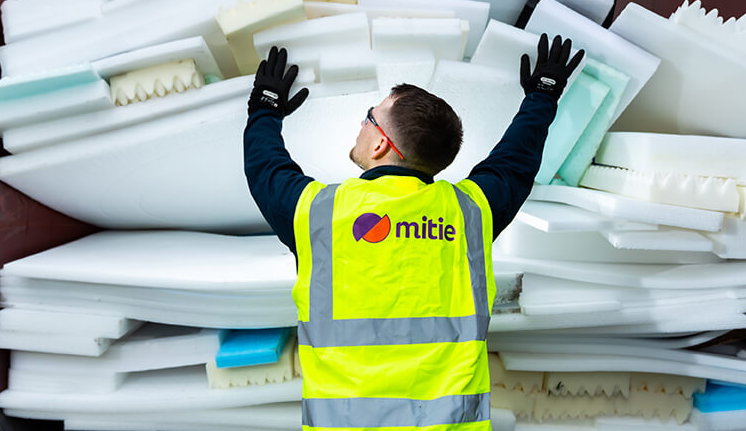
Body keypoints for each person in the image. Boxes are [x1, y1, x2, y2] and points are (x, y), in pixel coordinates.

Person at [243, 34, 584, 430]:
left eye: (370, 117)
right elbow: (515, 163)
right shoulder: (469, 213)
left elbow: (265, 170)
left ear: (380, 146)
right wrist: (542, 96)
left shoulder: (320, 214)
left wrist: (265, 108)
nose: (362, 123)